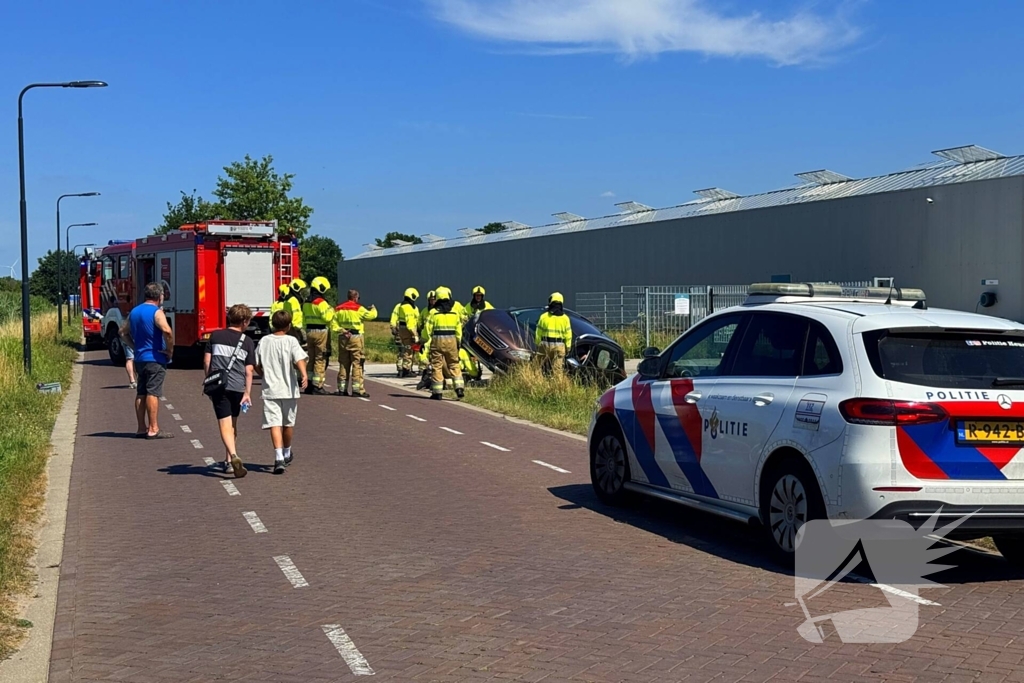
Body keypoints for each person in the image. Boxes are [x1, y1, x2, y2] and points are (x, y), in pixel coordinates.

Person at [204, 304, 256, 478]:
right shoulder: (247, 342)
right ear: (245, 321)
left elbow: (207, 362)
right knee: (233, 425)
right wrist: (247, 393)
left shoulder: (216, 336)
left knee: (224, 424)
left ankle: (232, 457)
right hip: (237, 387)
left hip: (220, 387)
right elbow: (249, 371)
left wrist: (209, 382)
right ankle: (229, 462)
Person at [255, 309, 309, 475]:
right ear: (289, 325)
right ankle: (286, 451)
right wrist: (304, 374)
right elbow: (299, 359)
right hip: (289, 389)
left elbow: (256, 363)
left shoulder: (264, 341)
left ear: (272, 324)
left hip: (271, 389)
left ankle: (278, 456)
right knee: (288, 423)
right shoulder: (291, 341)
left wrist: (262, 375)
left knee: (274, 423)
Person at [123, 283, 174, 439]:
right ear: (159, 296)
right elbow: (167, 331)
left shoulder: (134, 311)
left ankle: (140, 427)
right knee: (153, 392)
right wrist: (170, 350)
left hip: (139, 358)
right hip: (155, 358)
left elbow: (123, 332)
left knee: (141, 392)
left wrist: (134, 345)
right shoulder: (157, 312)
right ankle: (153, 428)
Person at [332, 289, 378, 397]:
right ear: (355, 297)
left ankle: (342, 388)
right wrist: (373, 309)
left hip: (343, 337)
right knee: (357, 363)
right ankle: (357, 389)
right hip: (356, 338)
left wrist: (342, 330)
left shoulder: (339, 308)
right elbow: (372, 316)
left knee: (343, 363)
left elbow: (333, 324)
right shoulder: (359, 309)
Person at [426, 286, 463, 400]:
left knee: (437, 366)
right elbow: (458, 330)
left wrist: (423, 342)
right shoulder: (455, 313)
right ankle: (459, 388)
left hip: (437, 341)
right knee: (454, 364)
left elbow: (427, 330)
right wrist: (458, 343)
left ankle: (437, 393)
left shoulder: (433, 313)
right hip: (452, 342)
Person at [301, 276, 334, 394]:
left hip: (309, 331)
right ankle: (318, 386)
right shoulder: (321, 302)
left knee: (311, 358)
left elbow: (303, 318)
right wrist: (331, 310)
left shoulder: (306, 302)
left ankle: (309, 384)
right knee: (320, 359)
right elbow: (327, 317)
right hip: (320, 332)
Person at [536, 292, 573, 376]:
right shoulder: (565, 318)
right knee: (557, 369)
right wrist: (568, 347)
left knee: (537, 366)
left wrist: (538, 344)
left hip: (545, 344)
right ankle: (557, 386)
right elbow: (568, 335)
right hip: (559, 346)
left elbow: (538, 332)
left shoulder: (544, 316)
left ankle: (537, 383)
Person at [391, 288, 420, 378]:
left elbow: (394, 316)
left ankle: (400, 368)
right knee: (409, 349)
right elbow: (411, 323)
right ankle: (406, 370)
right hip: (409, 330)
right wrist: (415, 334)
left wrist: (393, 327)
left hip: (400, 329)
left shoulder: (399, 306)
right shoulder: (410, 308)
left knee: (402, 349)